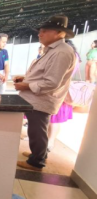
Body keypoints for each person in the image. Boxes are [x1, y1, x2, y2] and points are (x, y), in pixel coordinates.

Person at [14, 15, 76, 171]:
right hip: (37, 99)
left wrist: (26, 85)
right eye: (40, 31)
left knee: (37, 130)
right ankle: (38, 154)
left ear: (59, 33)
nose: (40, 34)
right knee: (35, 130)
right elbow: (44, 74)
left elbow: (51, 82)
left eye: (45, 31)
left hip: (42, 100)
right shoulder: (54, 50)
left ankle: (37, 162)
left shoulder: (61, 52)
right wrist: (26, 78)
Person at [47, 40, 81, 151]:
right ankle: (49, 142)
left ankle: (49, 142)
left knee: (53, 119)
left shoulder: (66, 57)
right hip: (63, 92)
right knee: (53, 120)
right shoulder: (76, 57)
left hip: (59, 92)